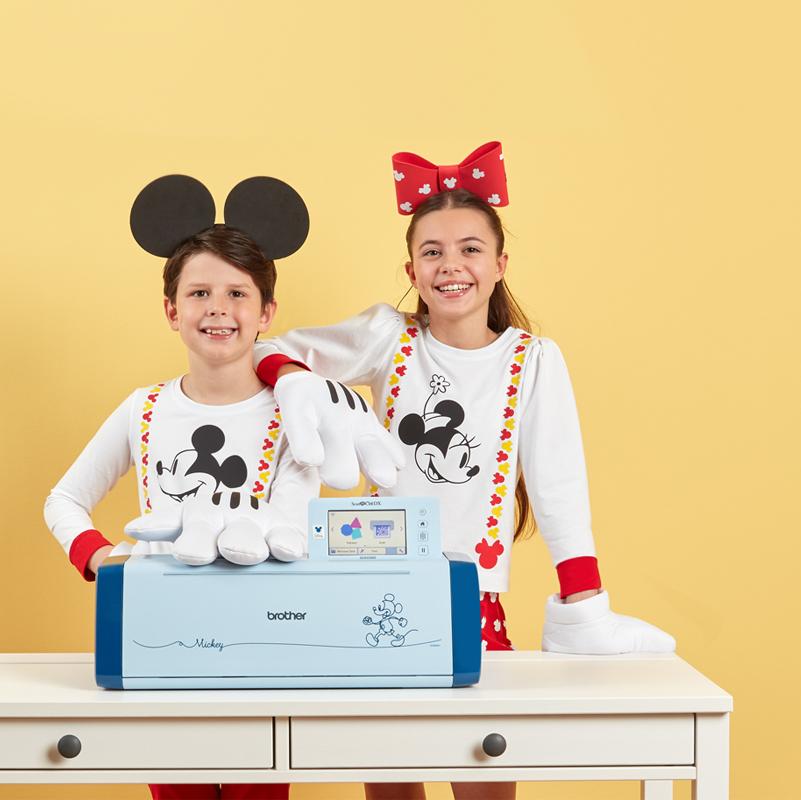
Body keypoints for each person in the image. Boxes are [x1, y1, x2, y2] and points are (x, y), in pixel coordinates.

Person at [252, 144, 676, 800]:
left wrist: (584, 602)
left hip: (472, 601)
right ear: (411, 268)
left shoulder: (532, 361)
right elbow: (271, 347)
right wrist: (302, 389)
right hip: (379, 593)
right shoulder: (386, 338)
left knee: (483, 774)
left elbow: (560, 483)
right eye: (432, 251)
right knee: (392, 780)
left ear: (501, 264)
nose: (451, 266)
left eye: (471, 249)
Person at [44, 175, 322, 800]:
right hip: (160, 641)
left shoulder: (294, 417)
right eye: (198, 293)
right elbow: (63, 499)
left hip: (267, 644)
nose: (217, 308)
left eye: (237, 293)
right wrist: (103, 558)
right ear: (172, 311)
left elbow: (295, 526)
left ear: (267, 313)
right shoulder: (143, 409)